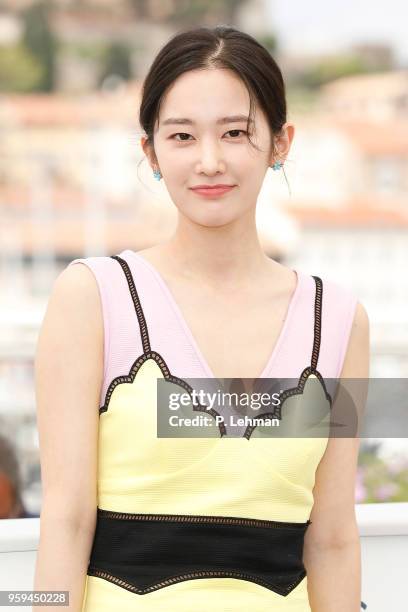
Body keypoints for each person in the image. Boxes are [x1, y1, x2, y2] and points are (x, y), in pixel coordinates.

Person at [33, 25, 370, 611]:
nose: (209, 161)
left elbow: (334, 538)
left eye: (235, 133)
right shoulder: (92, 297)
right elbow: (64, 522)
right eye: (182, 135)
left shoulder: (339, 322)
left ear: (281, 142)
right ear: (151, 151)